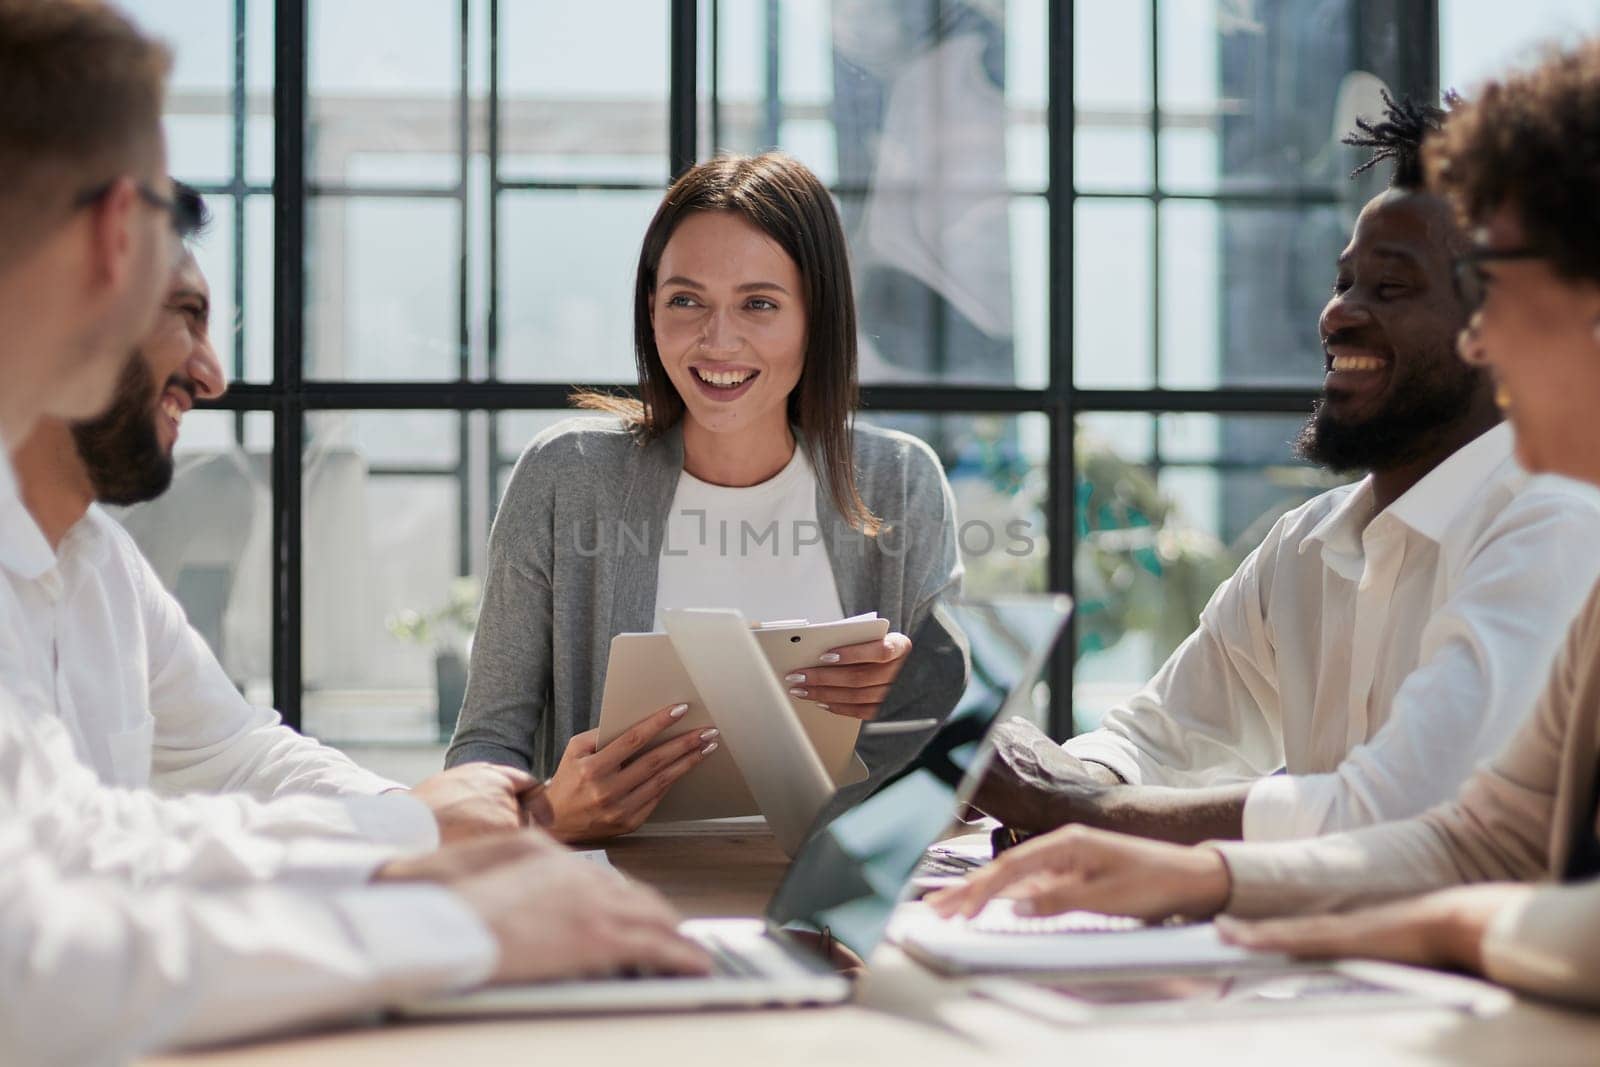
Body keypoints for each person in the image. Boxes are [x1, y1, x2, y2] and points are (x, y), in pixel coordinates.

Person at [0, 4, 704, 1062]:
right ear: (114, 233)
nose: (215, 372)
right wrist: (447, 920)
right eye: (166, 216)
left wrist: (414, 843)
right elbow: (31, 959)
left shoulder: (94, 563)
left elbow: (105, 838)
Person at [932, 39, 1600, 1009]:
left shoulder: (1559, 523)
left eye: (1492, 284)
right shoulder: (1337, 541)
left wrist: (1105, 817)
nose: (1480, 331)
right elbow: (1484, 837)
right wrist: (1196, 875)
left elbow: (1452, 852)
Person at [447, 151, 967, 843]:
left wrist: (911, 705)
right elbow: (483, 748)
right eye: (686, 300)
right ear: (651, 309)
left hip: (827, 909)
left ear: (817, 317)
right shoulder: (566, 476)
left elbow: (961, 764)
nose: (717, 341)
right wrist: (551, 813)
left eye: (759, 304)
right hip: (617, 911)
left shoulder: (899, 481)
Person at [7, 183, 539, 846]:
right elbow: (61, 854)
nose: (214, 377)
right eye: (187, 315)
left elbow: (241, 753)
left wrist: (418, 809)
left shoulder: (106, 566)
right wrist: (407, 823)